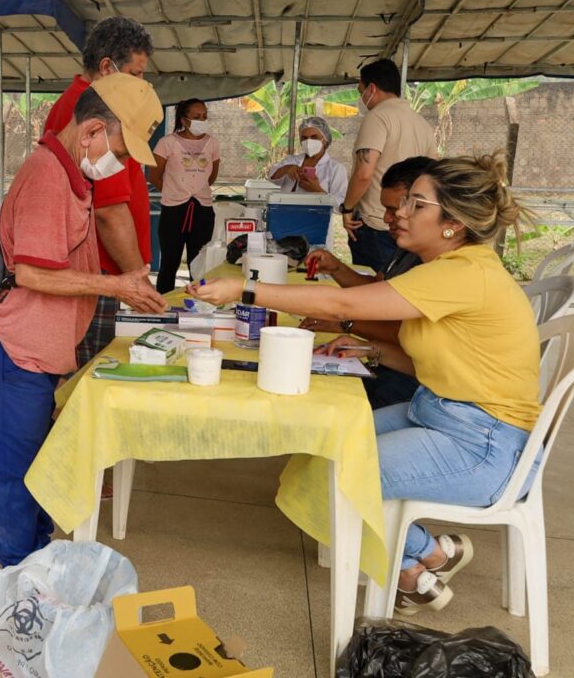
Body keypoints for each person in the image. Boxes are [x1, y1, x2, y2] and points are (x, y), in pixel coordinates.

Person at [188, 152, 540, 615]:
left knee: (340, 474)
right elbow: (436, 362)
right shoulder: (450, 269)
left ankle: (415, 564)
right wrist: (371, 352)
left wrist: (245, 290)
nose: (399, 214)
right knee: (323, 449)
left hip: (484, 445)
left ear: (452, 223)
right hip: (444, 414)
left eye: (417, 205)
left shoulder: (464, 273)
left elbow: (345, 307)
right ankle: (427, 558)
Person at [0, 73, 166, 567]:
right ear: (93, 131)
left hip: (37, 353)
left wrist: (126, 278)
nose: (120, 164)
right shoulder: (47, 175)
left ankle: (36, 568)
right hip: (13, 351)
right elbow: (31, 272)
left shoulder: (73, 176)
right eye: (121, 149)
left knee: (37, 470)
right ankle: (20, 586)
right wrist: (116, 285)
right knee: (14, 478)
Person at [44, 16, 160, 366]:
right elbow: (109, 212)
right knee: (89, 373)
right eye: (136, 74)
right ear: (107, 67)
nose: (141, 84)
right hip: (101, 272)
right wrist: (137, 281)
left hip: (104, 272)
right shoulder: (97, 114)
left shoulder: (84, 102)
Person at [300, 156, 435, 408]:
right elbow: (377, 290)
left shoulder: (439, 265)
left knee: (325, 401)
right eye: (388, 209)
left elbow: (401, 332)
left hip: (413, 387)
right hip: (397, 365)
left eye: (396, 209)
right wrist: (337, 268)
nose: (388, 219)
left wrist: (346, 324)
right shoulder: (410, 248)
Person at [340, 59, 438, 273]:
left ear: (372, 88)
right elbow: (435, 176)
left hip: (376, 221)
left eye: (361, 91)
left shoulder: (377, 116)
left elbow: (364, 173)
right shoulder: (421, 123)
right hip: (411, 224)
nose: (361, 98)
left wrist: (347, 208)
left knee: (373, 291)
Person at [147, 98, 222, 293]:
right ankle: (163, 305)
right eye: (196, 116)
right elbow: (154, 175)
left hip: (203, 210)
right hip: (174, 210)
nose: (202, 120)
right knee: (169, 263)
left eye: (204, 116)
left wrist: (196, 189)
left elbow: (211, 176)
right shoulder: (167, 143)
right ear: (183, 119)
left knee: (198, 265)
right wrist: (174, 192)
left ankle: (198, 304)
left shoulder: (212, 143)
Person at [268, 116, 348, 247]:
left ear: (325, 138)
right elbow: (272, 176)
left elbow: (341, 206)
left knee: (312, 262)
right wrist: (287, 169)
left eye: (314, 137)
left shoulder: (335, 169)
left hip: (316, 226)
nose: (308, 141)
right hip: (285, 222)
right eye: (304, 138)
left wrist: (319, 191)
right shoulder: (291, 161)